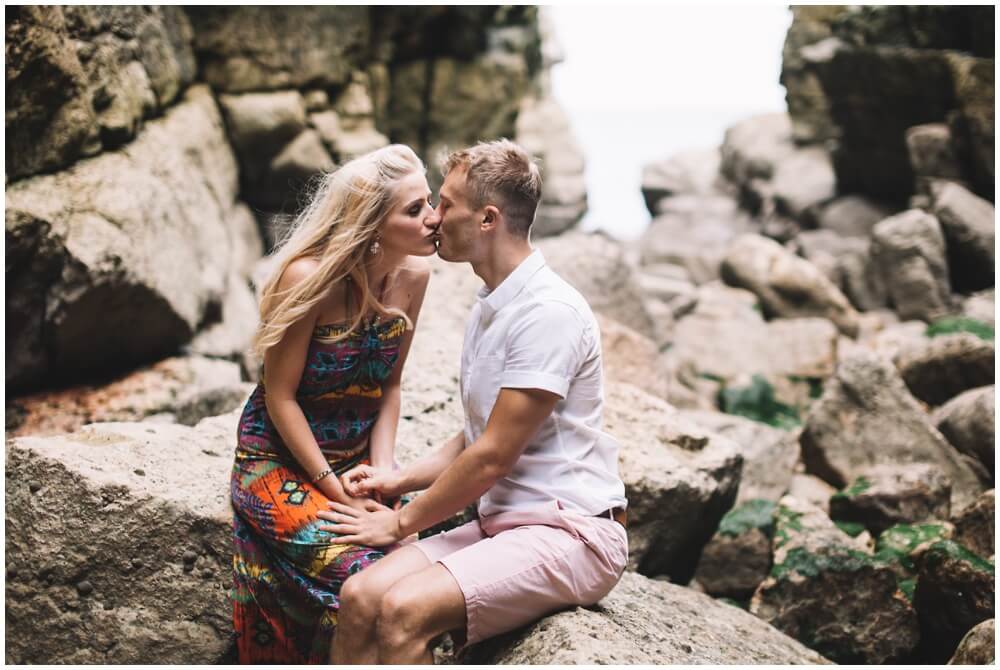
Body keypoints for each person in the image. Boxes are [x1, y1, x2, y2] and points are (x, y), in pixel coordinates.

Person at [317, 139, 628, 664]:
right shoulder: (492, 302)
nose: (435, 217)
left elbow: (492, 456)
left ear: (487, 219)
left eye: (446, 203)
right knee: (360, 597)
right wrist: (397, 480)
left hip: (570, 531)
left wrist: (399, 522)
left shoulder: (547, 313)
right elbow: (476, 435)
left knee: (403, 611)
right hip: (503, 522)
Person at [229, 144, 441, 663]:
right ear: (372, 225)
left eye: (430, 202)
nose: (434, 218)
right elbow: (279, 398)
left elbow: (389, 387)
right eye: (414, 210)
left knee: (419, 569)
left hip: (360, 461)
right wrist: (337, 493)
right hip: (278, 461)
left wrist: (385, 474)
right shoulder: (309, 279)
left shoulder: (414, 277)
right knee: (373, 576)